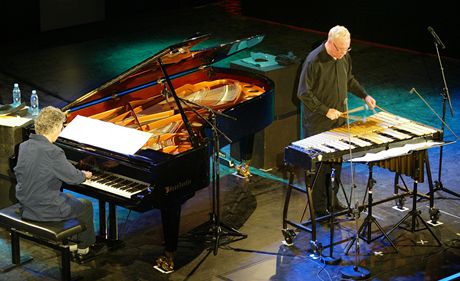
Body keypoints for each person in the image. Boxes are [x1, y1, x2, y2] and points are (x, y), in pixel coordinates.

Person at [297, 25, 376, 216]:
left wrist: (364, 95)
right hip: (318, 123)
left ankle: (333, 200)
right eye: (340, 49)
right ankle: (319, 208)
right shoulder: (313, 61)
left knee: (337, 165)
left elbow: (349, 79)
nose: (343, 53)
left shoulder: (344, 56)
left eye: (346, 49)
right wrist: (325, 110)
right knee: (321, 168)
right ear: (330, 43)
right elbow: (303, 93)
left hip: (339, 121)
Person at [14, 106, 98, 262]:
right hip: (43, 209)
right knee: (85, 205)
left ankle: (72, 244)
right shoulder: (53, 151)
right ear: (54, 128)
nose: (61, 131)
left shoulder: (24, 146)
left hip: (26, 204)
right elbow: (74, 178)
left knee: (67, 197)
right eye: (61, 127)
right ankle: (83, 249)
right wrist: (84, 175)